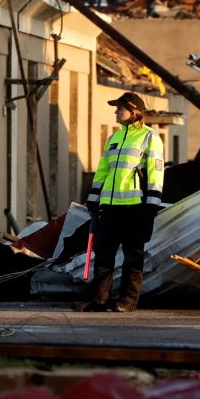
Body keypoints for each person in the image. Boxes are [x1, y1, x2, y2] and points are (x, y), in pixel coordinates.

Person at [76, 91, 165, 312]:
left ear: (134, 112)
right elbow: (102, 172)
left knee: (133, 257)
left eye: (120, 108)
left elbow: (156, 172)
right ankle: (99, 300)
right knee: (104, 256)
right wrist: (93, 201)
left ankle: (127, 301)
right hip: (109, 208)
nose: (116, 111)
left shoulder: (149, 137)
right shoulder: (113, 138)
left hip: (135, 208)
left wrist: (151, 206)